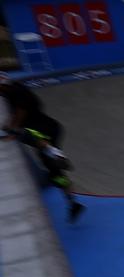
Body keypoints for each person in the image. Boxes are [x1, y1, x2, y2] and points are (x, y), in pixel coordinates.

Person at [0, 73, 85, 222]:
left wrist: (13, 127)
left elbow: (21, 110)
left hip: (43, 130)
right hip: (50, 128)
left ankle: (55, 153)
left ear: (3, 85)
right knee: (56, 174)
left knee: (26, 134)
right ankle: (73, 202)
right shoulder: (15, 89)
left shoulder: (15, 92)